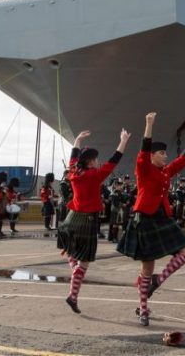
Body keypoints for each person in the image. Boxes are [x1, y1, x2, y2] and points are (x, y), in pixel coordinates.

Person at [117, 112, 185, 327]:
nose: (166, 156)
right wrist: (148, 125)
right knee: (146, 268)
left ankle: (159, 280)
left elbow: (182, 161)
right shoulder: (143, 168)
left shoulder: (165, 172)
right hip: (145, 218)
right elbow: (143, 150)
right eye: (162, 153)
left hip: (162, 217)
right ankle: (143, 309)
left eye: (165, 153)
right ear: (153, 156)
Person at [59, 128, 130, 314]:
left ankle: (73, 276)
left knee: (70, 250)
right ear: (91, 162)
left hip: (70, 218)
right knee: (84, 263)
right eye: (96, 160)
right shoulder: (94, 175)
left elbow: (73, 157)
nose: (98, 162)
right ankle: (72, 295)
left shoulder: (74, 171)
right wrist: (123, 141)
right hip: (87, 220)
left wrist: (77, 141)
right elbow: (114, 160)